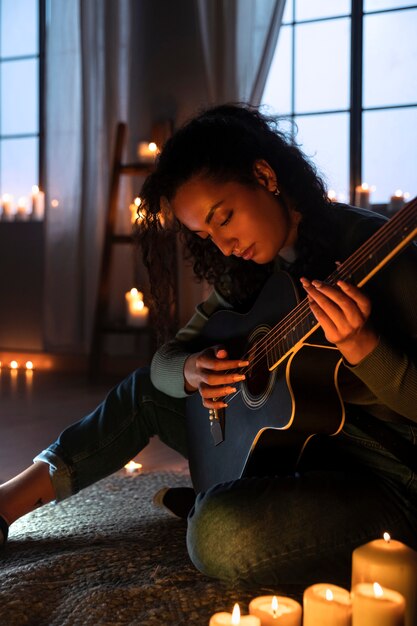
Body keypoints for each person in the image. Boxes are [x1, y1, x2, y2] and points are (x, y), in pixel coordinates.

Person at [1, 104, 416, 589]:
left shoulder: (380, 254)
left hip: (388, 477)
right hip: (299, 445)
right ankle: (8, 503)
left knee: (221, 532)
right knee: (147, 392)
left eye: (225, 218)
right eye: (204, 233)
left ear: (265, 175)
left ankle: (212, 500)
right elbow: (162, 365)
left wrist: (364, 347)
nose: (223, 245)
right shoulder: (252, 267)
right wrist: (192, 369)